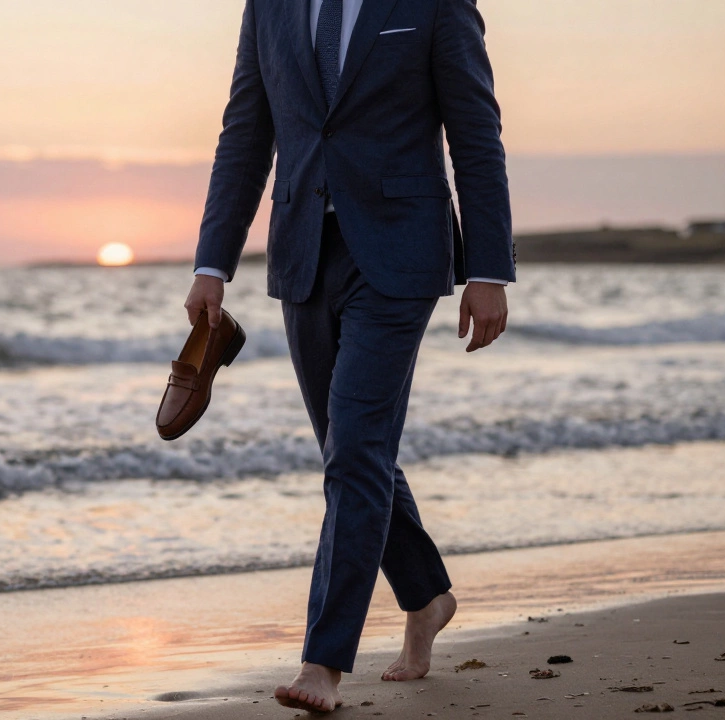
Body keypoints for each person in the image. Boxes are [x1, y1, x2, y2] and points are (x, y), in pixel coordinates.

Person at [183, 0, 515, 712]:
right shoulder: (268, 7)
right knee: (350, 450)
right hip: (302, 252)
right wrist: (213, 261)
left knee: (355, 452)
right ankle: (426, 597)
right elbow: (246, 131)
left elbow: (476, 133)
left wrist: (490, 269)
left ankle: (324, 664)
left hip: (401, 252)